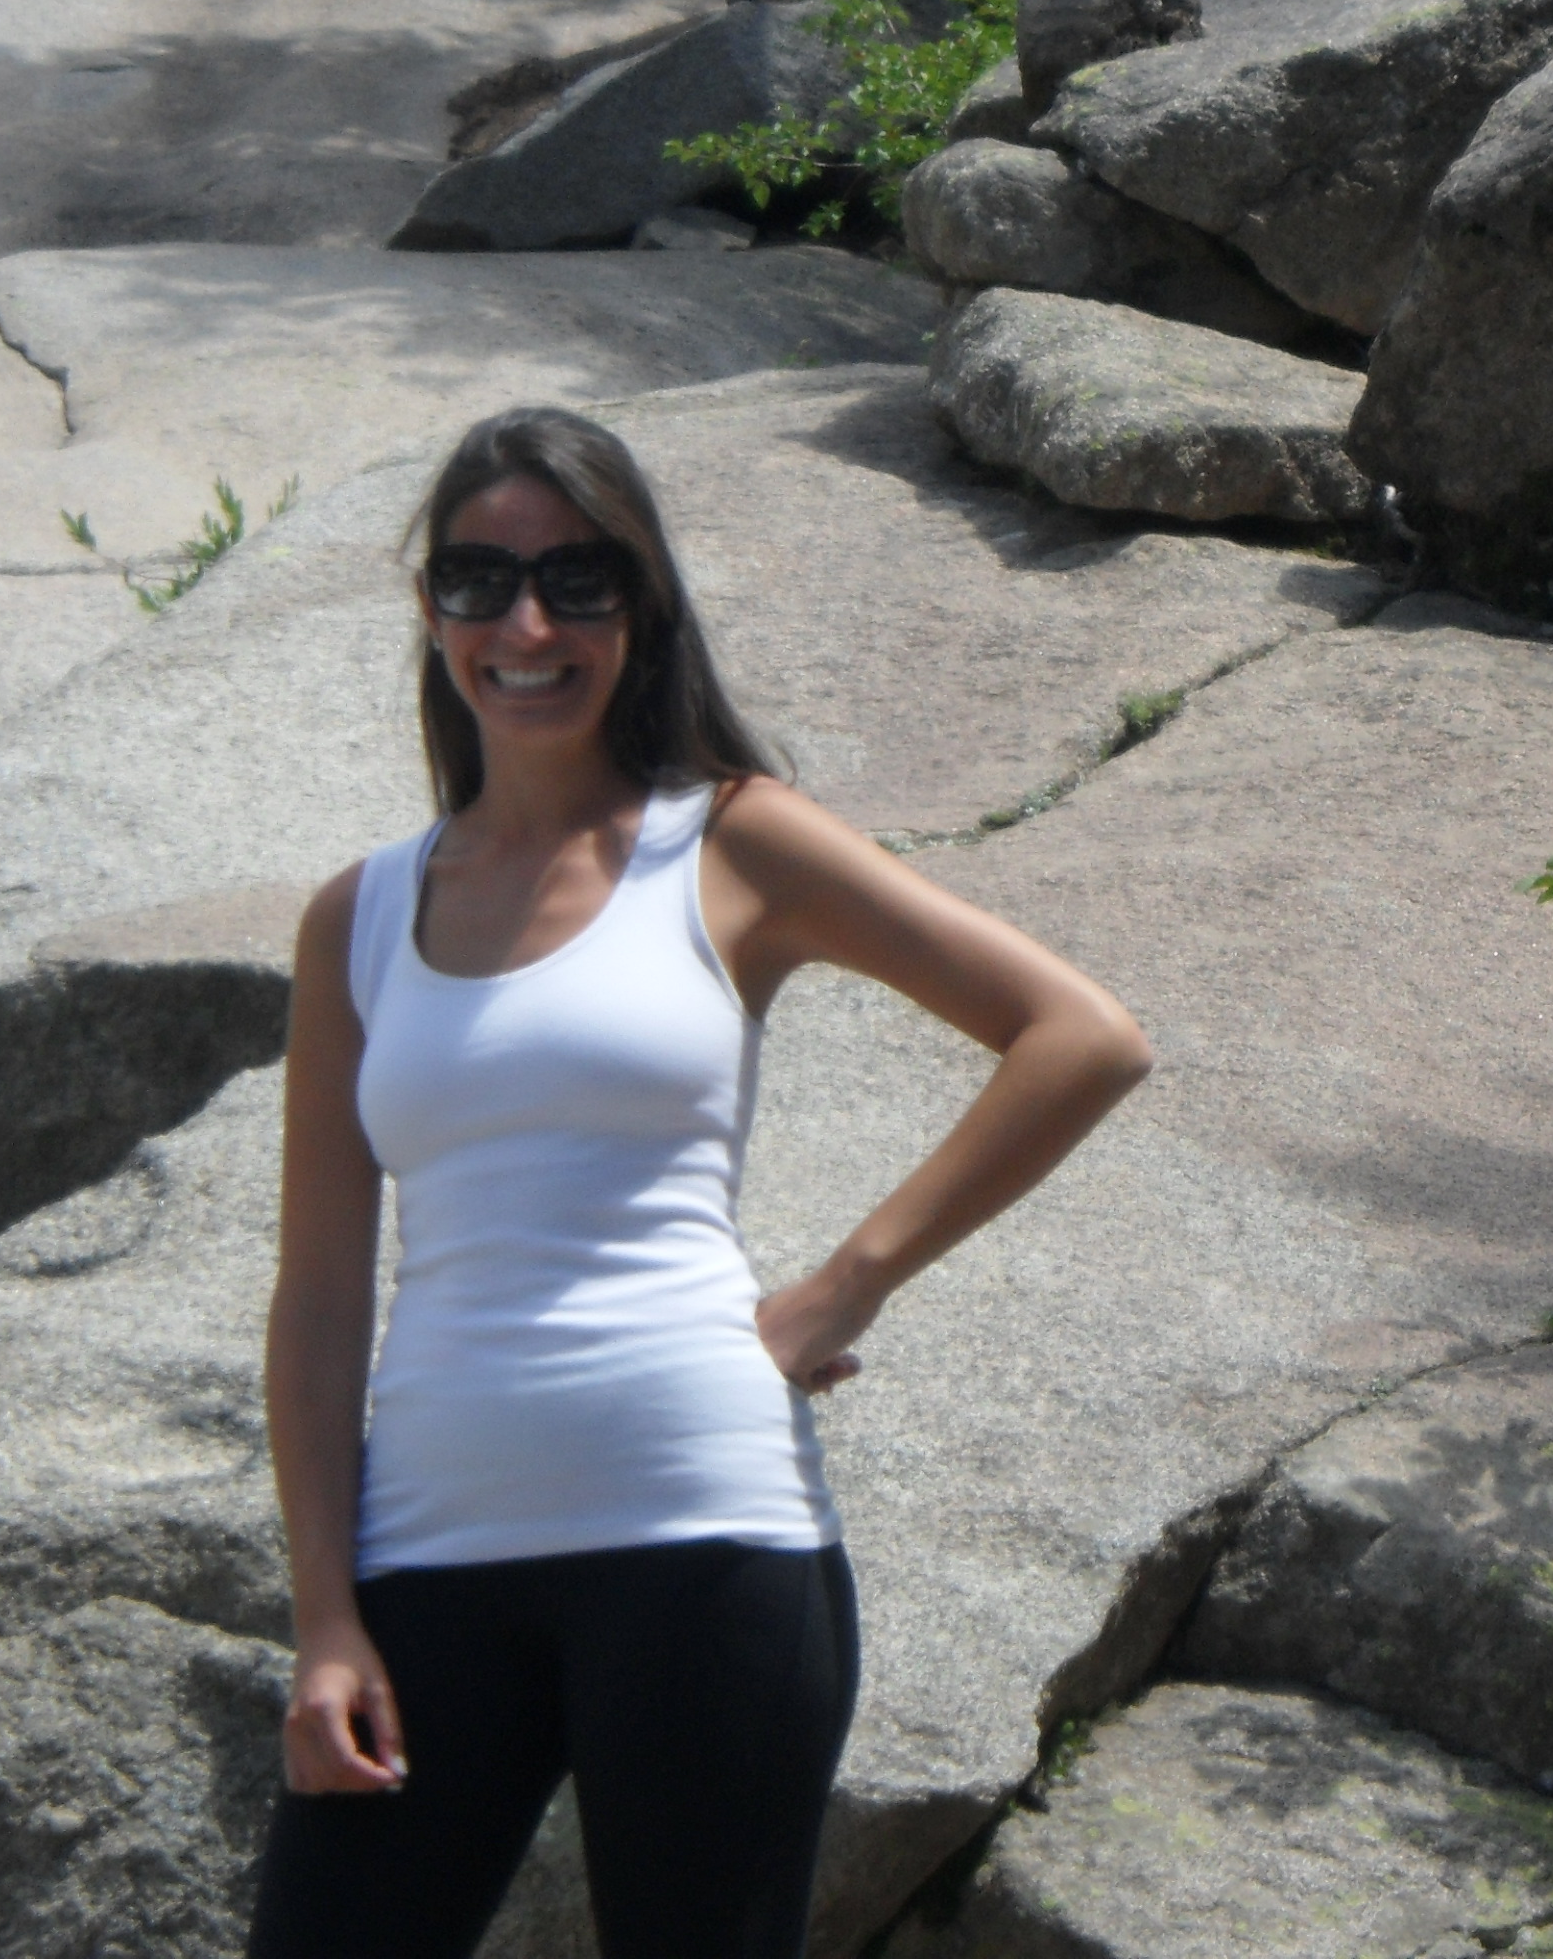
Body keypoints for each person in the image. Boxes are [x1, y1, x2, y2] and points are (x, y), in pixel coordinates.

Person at [247, 407, 1153, 1958]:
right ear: (432, 607)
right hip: (427, 1554)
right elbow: (321, 1300)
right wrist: (326, 1616)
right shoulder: (359, 918)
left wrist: (845, 1287)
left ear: (642, 601)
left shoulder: (731, 844)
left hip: (705, 1532)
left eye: (577, 581)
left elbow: (1081, 1037)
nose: (528, 627)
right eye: (479, 581)